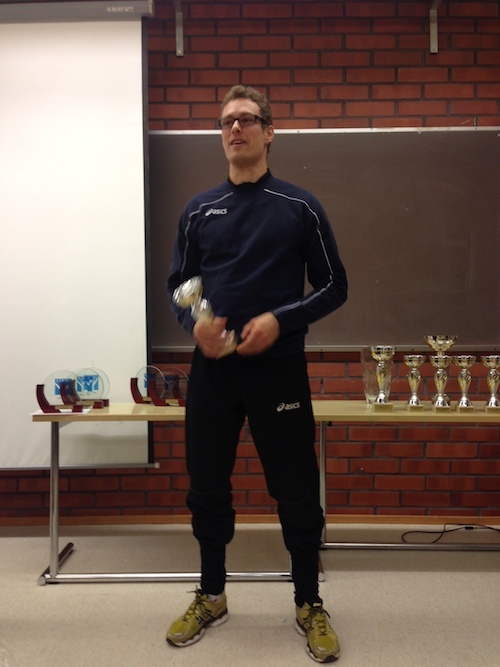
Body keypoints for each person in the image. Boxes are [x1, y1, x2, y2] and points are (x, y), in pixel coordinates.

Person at [166, 84, 348, 664]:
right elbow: (181, 284)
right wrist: (193, 322)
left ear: (269, 132)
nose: (235, 129)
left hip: (279, 371)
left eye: (246, 119)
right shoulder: (199, 210)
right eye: (226, 122)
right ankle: (211, 594)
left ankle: (309, 602)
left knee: (295, 489)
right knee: (207, 487)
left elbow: (335, 286)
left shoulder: (299, 207)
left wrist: (280, 319)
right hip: (214, 372)